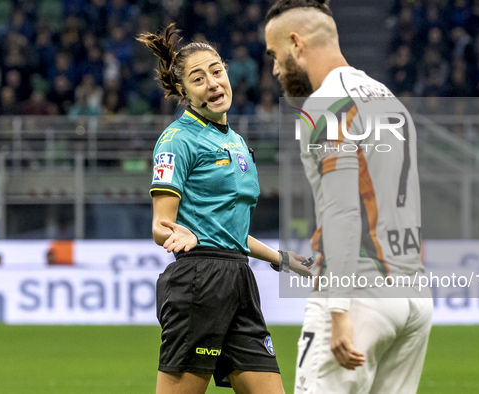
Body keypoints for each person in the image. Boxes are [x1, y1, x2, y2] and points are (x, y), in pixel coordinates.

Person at [264, 1, 433, 393]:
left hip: (357, 294)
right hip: (413, 295)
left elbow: (342, 211)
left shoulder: (325, 108)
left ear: (296, 43)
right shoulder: (388, 100)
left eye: (275, 55)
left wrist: (338, 308)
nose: (273, 69)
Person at [136, 23, 311, 394]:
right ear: (183, 91)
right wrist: (175, 231)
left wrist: (282, 259)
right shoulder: (177, 140)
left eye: (217, 71)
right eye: (198, 78)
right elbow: (161, 225)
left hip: (239, 280)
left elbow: (226, 231)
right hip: (199, 282)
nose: (213, 83)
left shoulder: (236, 141)